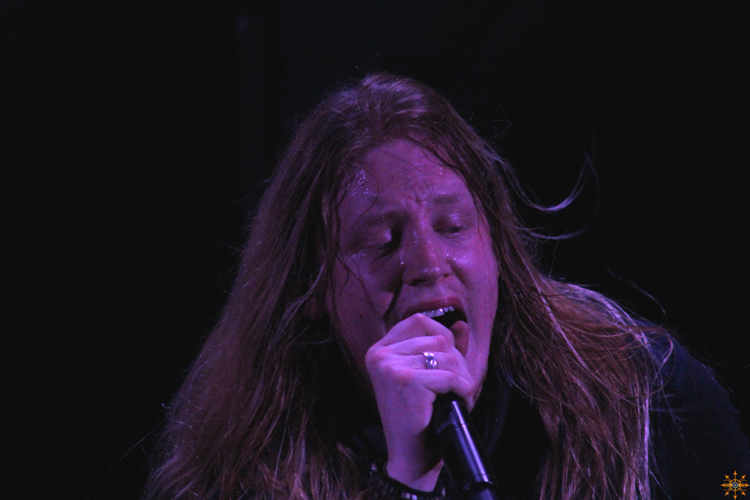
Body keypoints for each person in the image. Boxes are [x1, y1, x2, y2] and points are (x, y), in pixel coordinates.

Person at [144, 73, 750, 500]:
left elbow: (736, 485)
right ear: (312, 290)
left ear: (497, 245)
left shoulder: (645, 390)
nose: (429, 264)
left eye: (453, 226)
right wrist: (409, 480)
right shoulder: (239, 477)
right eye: (382, 241)